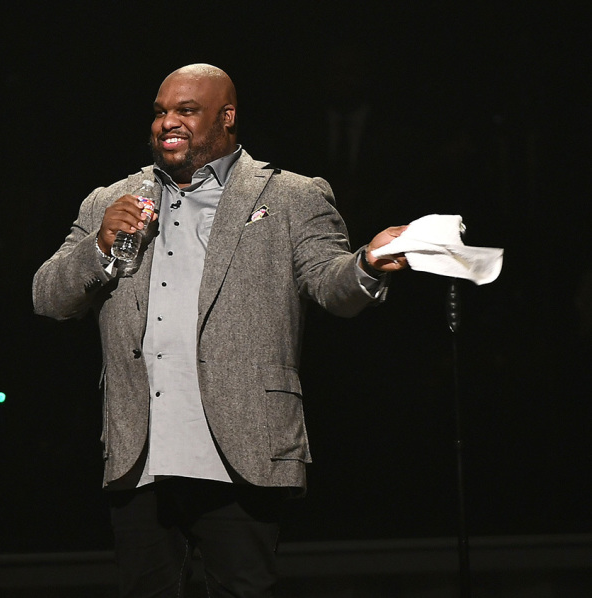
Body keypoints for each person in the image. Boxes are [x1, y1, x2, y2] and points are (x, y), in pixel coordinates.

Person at [33, 64, 407, 598]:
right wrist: (98, 245)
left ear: (227, 117)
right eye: (160, 111)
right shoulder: (109, 201)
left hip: (242, 449)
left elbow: (331, 284)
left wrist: (367, 262)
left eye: (186, 110)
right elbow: (48, 297)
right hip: (141, 455)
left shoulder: (290, 196)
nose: (167, 122)